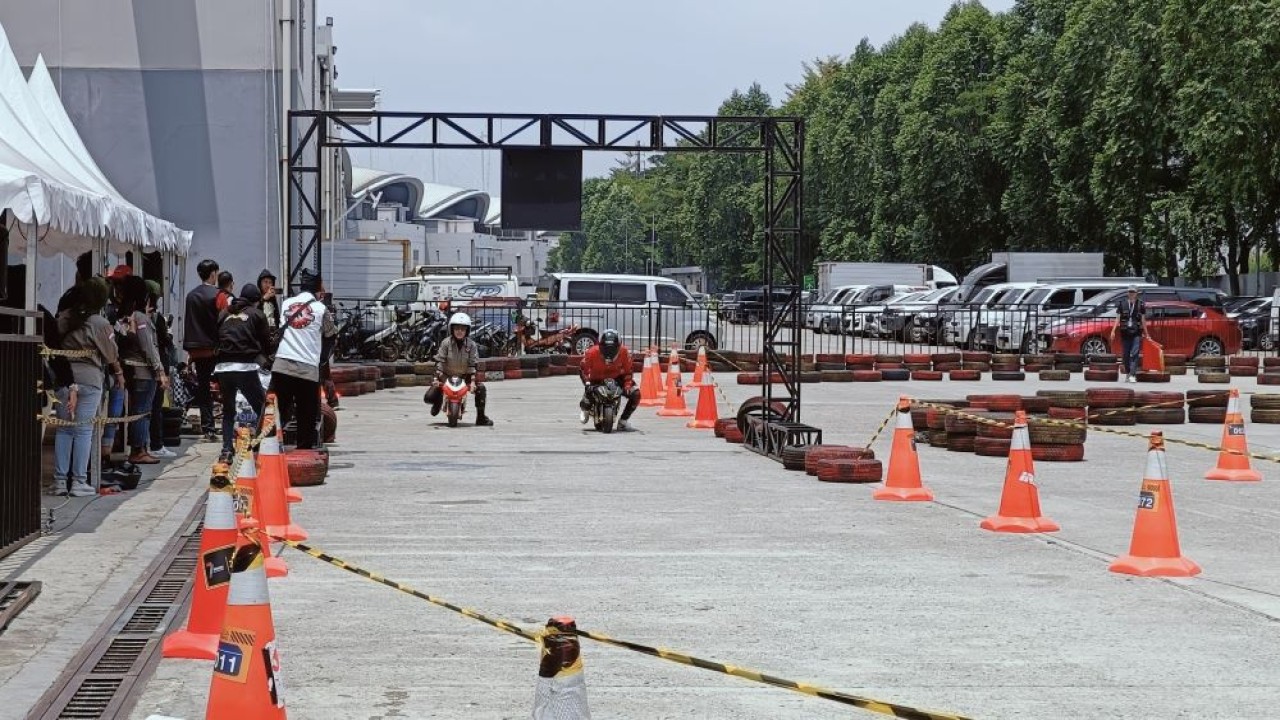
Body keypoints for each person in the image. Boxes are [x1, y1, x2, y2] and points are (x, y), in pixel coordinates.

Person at [52, 279, 122, 496]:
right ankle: (80, 481)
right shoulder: (100, 323)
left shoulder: (64, 318)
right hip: (90, 379)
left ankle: (60, 482)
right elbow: (111, 354)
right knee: (84, 430)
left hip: (64, 378)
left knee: (64, 429)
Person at [271, 269, 337, 449]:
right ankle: (303, 453)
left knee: (280, 411)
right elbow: (331, 335)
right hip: (307, 369)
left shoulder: (286, 303)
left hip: (281, 365)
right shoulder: (321, 308)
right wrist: (322, 360)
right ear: (317, 288)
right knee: (306, 416)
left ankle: (270, 448)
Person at [215, 283, 273, 461]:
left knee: (229, 410)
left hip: (222, 367)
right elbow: (266, 344)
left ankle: (226, 450)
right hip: (244, 367)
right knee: (262, 406)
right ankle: (266, 445)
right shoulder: (257, 314)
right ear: (256, 301)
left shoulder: (224, 313)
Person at [116, 276, 169, 465]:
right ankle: (139, 449)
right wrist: (159, 370)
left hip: (132, 369)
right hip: (143, 372)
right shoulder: (140, 317)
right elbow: (148, 346)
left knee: (138, 410)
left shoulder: (125, 315)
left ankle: (139, 447)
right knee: (143, 411)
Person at [423, 312, 493, 426]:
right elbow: (439, 361)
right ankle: (438, 401)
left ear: (467, 330)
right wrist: (436, 378)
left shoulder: (472, 345)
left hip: (465, 377)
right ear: (452, 329)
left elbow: (473, 364)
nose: (459, 331)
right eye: (457, 328)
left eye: (462, 328)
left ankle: (481, 417)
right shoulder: (445, 343)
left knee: (481, 389)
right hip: (446, 376)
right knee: (428, 397)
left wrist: (473, 382)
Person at [184, 259, 223, 442]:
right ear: (213, 273)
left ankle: (208, 428)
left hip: (197, 349)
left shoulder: (191, 296)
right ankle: (227, 421)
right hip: (216, 348)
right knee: (225, 387)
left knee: (203, 388)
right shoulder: (218, 295)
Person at [578, 329, 639, 430]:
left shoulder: (624, 352)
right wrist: (587, 382)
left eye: (612, 349)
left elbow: (628, 371)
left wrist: (627, 384)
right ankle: (586, 410)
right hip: (596, 379)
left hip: (616, 378)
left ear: (618, 347)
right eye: (606, 349)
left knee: (636, 393)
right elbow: (583, 369)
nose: (609, 352)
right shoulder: (592, 352)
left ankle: (623, 421)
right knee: (587, 397)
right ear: (600, 346)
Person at [145, 280, 177, 459]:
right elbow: (163, 341)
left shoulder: (142, 316)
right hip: (155, 367)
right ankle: (156, 444)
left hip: (147, 368)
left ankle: (148, 444)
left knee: (148, 409)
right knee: (155, 407)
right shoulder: (154, 318)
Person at [1111, 285, 1147, 383]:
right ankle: (1128, 372)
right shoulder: (1122, 304)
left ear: (1136, 293)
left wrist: (1146, 333)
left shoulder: (1141, 305)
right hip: (1125, 332)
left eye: (1133, 292)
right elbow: (1118, 318)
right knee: (1126, 354)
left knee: (1135, 353)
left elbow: (1143, 320)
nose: (1131, 294)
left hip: (1136, 332)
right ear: (1128, 293)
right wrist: (1113, 331)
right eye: (1130, 292)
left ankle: (1132, 374)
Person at [257, 268, 282, 357]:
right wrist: (263, 298)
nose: (267, 285)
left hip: (272, 336)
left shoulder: (273, 299)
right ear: (260, 283)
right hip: (260, 337)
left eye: (270, 283)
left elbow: (277, 316)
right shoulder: (256, 296)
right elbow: (253, 311)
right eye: (265, 282)